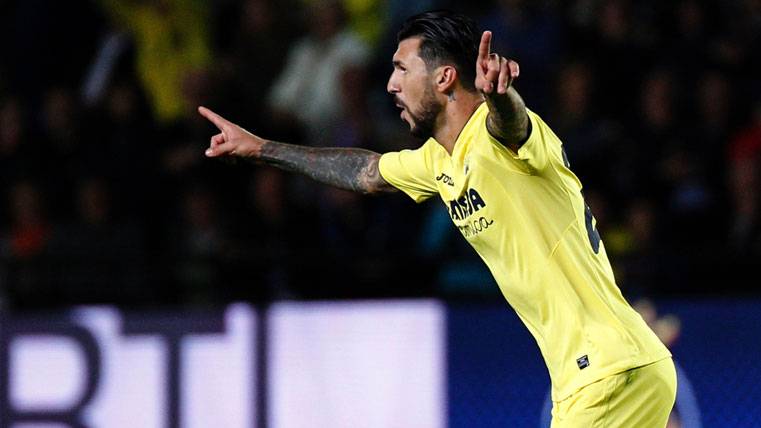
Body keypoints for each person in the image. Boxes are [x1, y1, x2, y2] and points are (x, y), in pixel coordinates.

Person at [199, 10, 676, 427]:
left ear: (445, 77)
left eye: (402, 69)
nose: (390, 84)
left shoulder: (499, 139)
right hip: (604, 373)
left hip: (608, 373)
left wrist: (503, 98)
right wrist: (261, 148)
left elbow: (511, 125)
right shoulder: (436, 161)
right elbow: (365, 171)